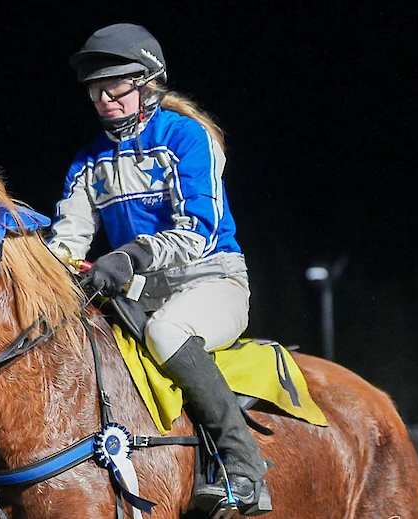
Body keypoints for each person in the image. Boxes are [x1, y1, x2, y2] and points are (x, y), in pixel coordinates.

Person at [47, 23, 272, 516]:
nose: (103, 97)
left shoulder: (187, 136)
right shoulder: (87, 161)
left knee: (167, 332)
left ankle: (244, 467)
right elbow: (68, 239)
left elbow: (199, 229)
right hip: (140, 290)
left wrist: (129, 256)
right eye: (94, 89)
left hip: (213, 279)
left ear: (149, 83)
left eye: (115, 85)